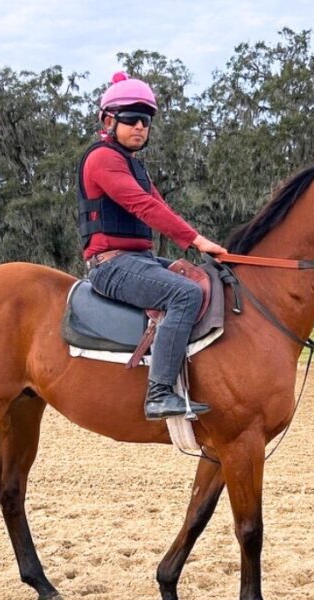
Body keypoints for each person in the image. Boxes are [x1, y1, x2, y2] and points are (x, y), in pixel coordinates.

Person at [77, 71, 228, 421]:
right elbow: (143, 207)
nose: (140, 127)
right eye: (131, 119)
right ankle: (159, 393)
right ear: (108, 120)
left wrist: (201, 248)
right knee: (184, 295)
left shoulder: (134, 166)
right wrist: (197, 240)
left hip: (138, 259)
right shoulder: (102, 159)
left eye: (145, 120)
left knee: (202, 280)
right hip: (110, 265)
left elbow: (160, 208)